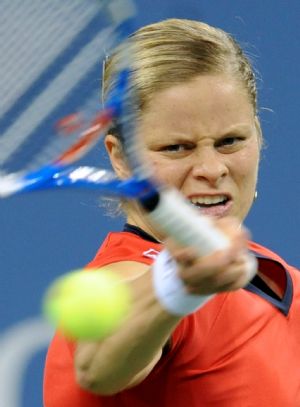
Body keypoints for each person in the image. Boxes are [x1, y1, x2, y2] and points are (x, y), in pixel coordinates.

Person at [43, 19, 300, 406]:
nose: (212, 169)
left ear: (259, 136)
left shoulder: (277, 275)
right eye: (177, 148)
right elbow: (97, 364)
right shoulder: (131, 276)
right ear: (121, 157)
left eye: (230, 141)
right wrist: (176, 284)